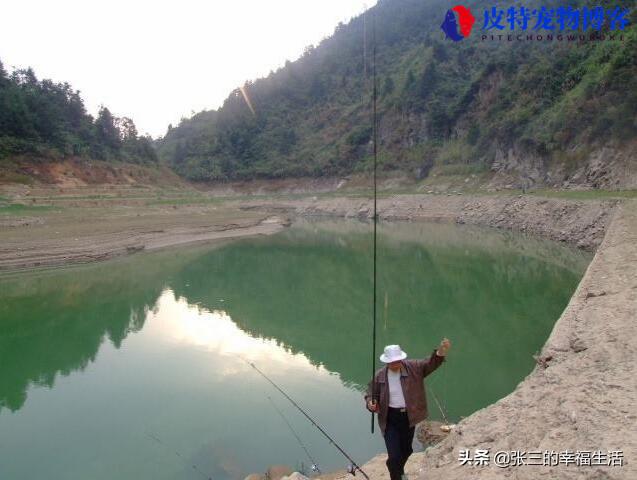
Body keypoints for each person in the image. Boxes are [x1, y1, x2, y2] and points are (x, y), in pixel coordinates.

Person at [364, 338, 451, 480]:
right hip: (389, 418)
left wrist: (441, 351)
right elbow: (370, 394)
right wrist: (370, 404)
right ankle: (397, 475)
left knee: (407, 450)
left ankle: (397, 469)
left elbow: (430, 363)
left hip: (408, 417)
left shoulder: (414, 367)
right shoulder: (380, 376)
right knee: (394, 456)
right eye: (392, 362)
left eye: (397, 361)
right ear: (386, 362)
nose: (395, 364)